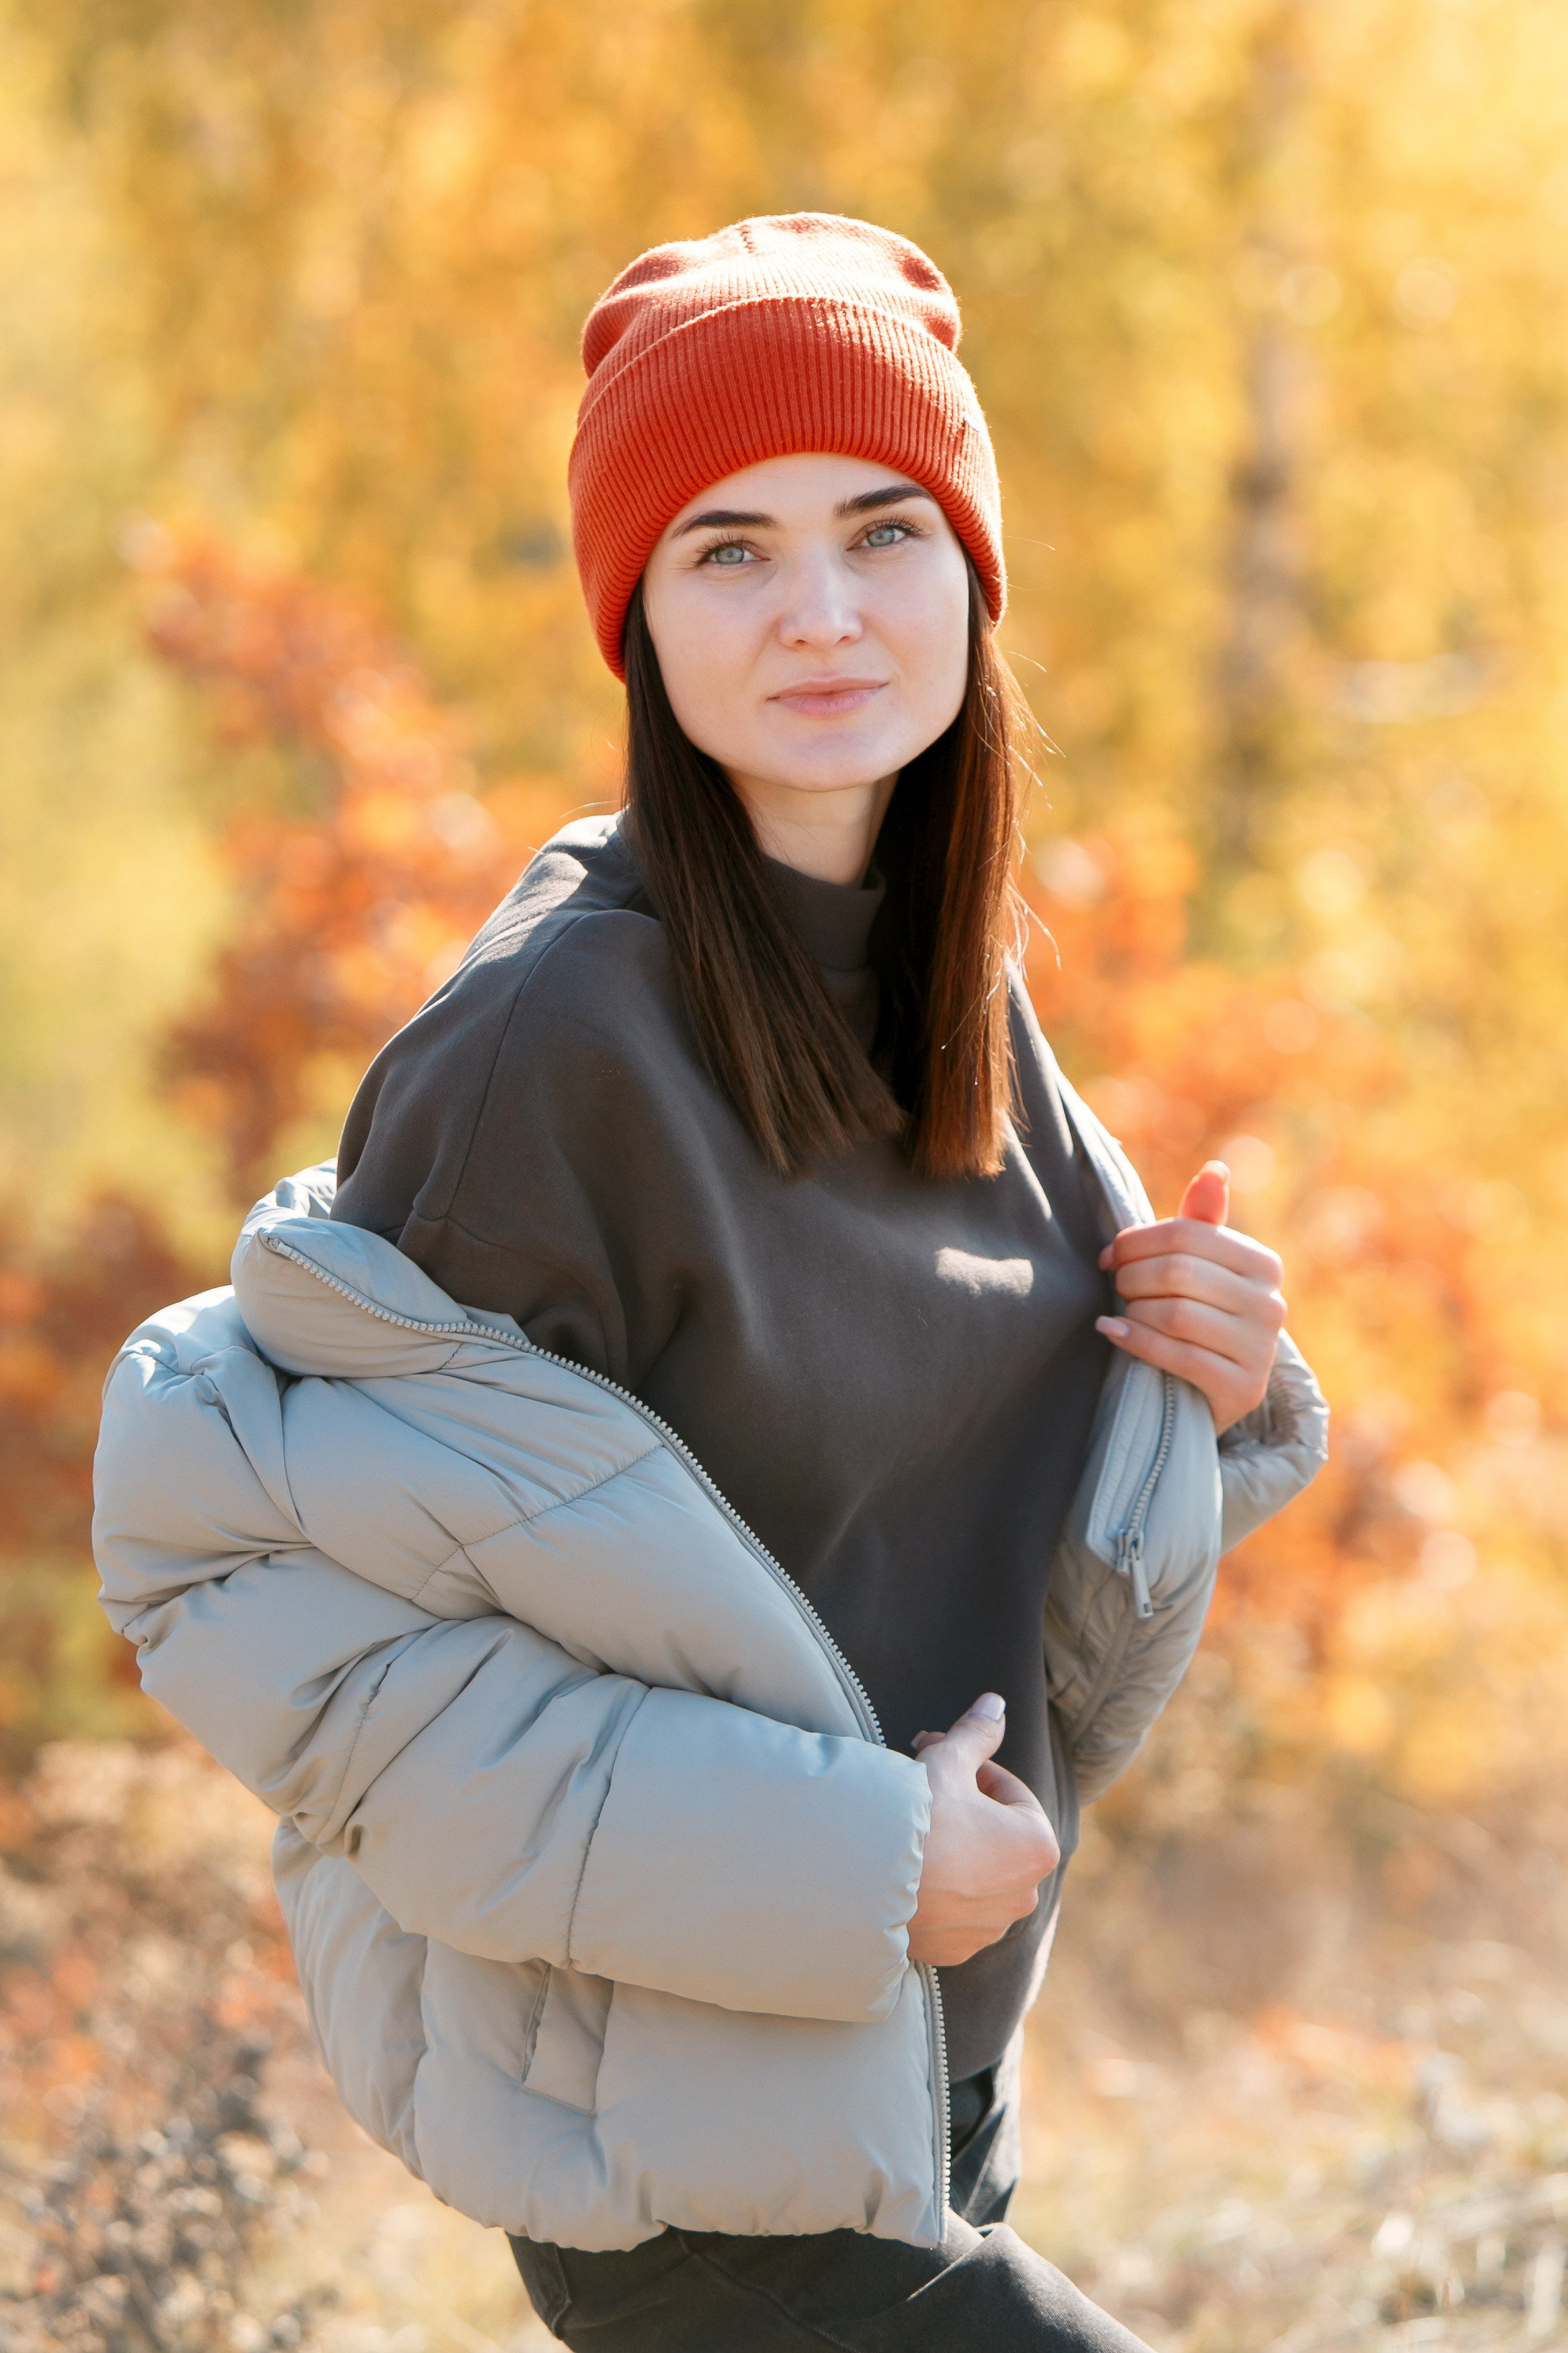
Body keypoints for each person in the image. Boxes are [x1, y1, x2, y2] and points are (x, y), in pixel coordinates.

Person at [94, 214, 1328, 2349]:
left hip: (922, 2078)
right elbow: (343, 1672)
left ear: (974, 570)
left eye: (880, 527)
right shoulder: (548, 1053)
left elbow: (965, 1480)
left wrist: (1202, 1387)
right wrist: (857, 1857)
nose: (824, 613)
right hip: (680, 2144)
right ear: (638, 620)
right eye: (727, 551)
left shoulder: (960, 991)